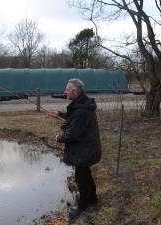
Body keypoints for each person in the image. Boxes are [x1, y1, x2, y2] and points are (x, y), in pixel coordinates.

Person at [49, 78, 101, 220]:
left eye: (67, 89)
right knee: (85, 174)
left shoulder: (81, 110)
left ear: (76, 92)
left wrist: (60, 138)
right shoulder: (81, 104)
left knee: (81, 179)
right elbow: (73, 119)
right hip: (88, 148)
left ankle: (83, 208)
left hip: (85, 150)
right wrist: (60, 114)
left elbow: (72, 134)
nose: (65, 91)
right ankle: (93, 199)